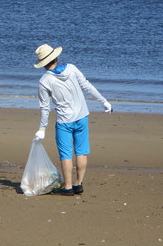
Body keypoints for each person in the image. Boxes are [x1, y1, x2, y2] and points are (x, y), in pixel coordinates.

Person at [33, 44, 112, 196]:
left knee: (66, 155)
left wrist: (42, 128)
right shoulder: (72, 68)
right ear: (55, 57)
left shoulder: (44, 81)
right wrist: (103, 101)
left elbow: (45, 107)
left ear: (43, 64)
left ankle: (68, 187)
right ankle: (79, 183)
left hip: (64, 121)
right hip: (82, 116)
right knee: (81, 152)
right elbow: (87, 86)